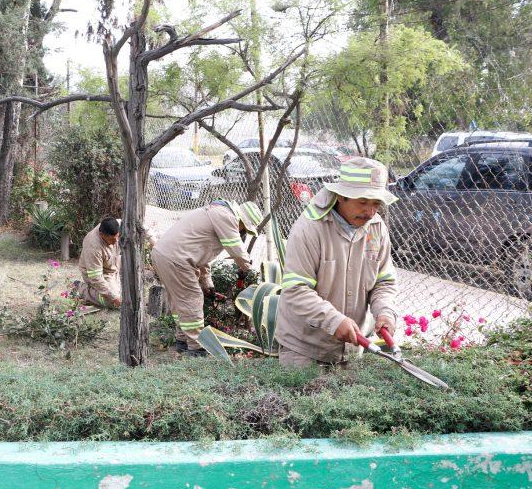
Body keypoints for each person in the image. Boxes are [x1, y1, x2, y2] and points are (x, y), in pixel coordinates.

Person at [274, 157, 398, 367]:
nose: (370, 212)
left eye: (376, 204)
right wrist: (334, 321)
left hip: (351, 349)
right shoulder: (309, 229)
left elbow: (383, 281)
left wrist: (385, 311)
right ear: (341, 196)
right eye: (363, 202)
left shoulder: (376, 228)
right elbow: (296, 289)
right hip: (305, 349)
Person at [151, 200, 261, 356]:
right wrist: (248, 269)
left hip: (164, 255)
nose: (243, 231)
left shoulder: (215, 212)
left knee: (179, 300)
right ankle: (196, 347)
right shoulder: (226, 217)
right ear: (242, 221)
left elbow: (203, 252)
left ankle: (182, 340)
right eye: (245, 229)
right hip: (176, 259)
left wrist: (206, 281)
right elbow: (236, 249)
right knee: (191, 299)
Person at [77, 217, 122, 308]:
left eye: (117, 237)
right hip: (100, 274)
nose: (116, 242)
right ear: (102, 235)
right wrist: (113, 298)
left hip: (113, 268)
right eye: (112, 239)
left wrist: (152, 240)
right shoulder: (92, 246)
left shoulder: (120, 224)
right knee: (113, 302)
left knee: (125, 296)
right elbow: (96, 278)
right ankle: (81, 288)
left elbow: (139, 226)